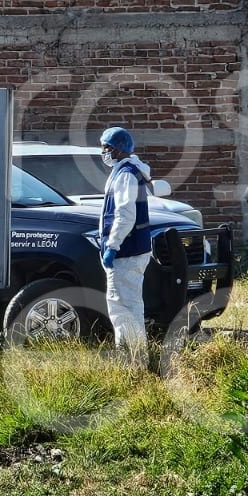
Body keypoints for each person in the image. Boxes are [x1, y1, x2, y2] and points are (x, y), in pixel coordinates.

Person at [97, 126, 151, 357]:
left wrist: (112, 246)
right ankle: (134, 357)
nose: (104, 153)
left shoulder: (126, 175)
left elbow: (125, 215)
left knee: (123, 308)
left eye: (106, 148)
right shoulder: (127, 171)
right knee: (127, 305)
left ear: (118, 150)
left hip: (126, 251)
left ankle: (132, 360)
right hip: (130, 250)